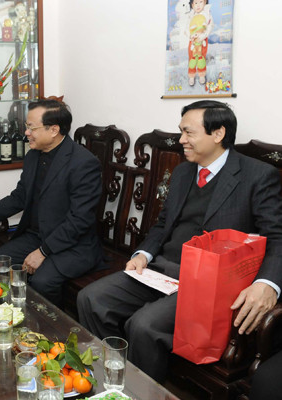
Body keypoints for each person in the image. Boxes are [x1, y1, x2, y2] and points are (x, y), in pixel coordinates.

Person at [77, 100, 282, 383]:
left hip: (207, 284)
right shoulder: (184, 171)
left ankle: (140, 391)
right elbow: (163, 224)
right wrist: (143, 254)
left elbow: (277, 236)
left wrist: (267, 284)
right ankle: (112, 375)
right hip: (162, 270)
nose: (181, 139)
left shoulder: (257, 176)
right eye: (181, 131)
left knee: (144, 326)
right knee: (91, 299)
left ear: (218, 133)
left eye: (188, 132)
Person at [0, 99, 104, 305]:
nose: (26, 133)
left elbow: (79, 220)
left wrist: (43, 252)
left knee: (42, 282)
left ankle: (49, 323)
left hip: (73, 244)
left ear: (54, 130)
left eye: (32, 128)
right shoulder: (33, 156)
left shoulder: (83, 163)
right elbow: (21, 196)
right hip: (37, 237)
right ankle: (10, 314)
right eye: (26, 126)